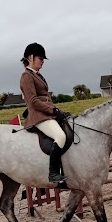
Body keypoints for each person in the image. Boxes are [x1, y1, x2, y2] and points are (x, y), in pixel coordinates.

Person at [20, 42, 70, 183]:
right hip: (38, 116)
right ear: (30, 57)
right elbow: (33, 101)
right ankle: (53, 173)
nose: (42, 62)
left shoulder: (37, 75)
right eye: (40, 58)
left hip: (46, 113)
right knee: (60, 136)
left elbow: (46, 98)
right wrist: (53, 110)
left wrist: (58, 111)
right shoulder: (26, 76)